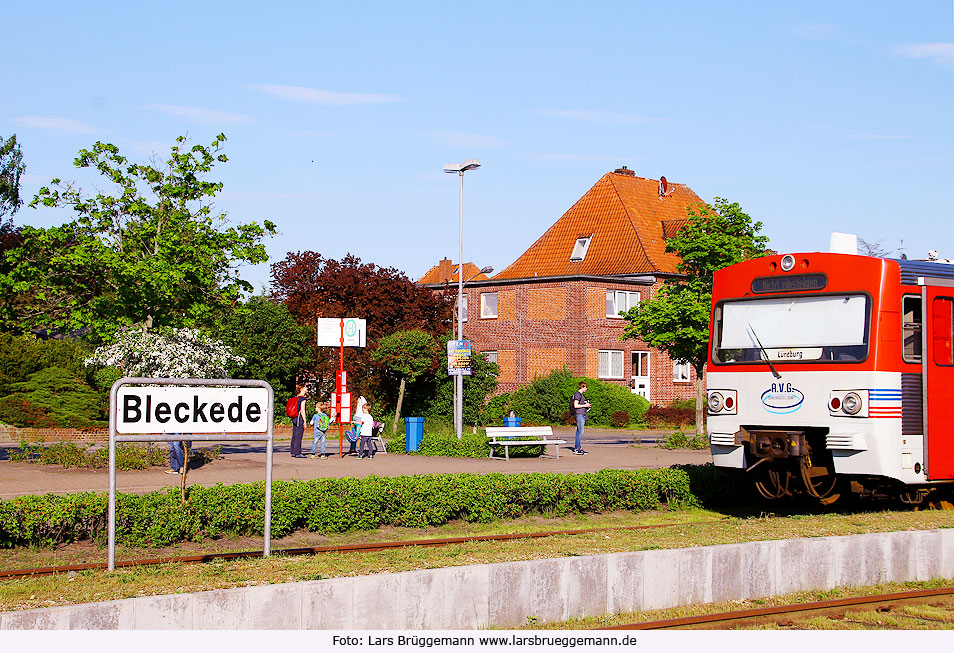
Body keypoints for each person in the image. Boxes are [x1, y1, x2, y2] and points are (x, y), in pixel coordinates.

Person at [571, 381, 591, 455]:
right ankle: (577, 448)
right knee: (580, 431)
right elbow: (575, 405)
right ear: (582, 387)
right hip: (579, 414)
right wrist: (585, 405)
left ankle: (578, 447)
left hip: (582, 414)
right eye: (586, 387)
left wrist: (586, 405)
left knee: (579, 431)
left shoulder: (581, 395)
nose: (586, 389)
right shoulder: (578, 394)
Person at [290, 384, 308, 459]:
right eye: (305, 388)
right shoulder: (302, 399)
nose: (307, 389)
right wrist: (305, 421)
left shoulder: (295, 398)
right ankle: (297, 452)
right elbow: (302, 410)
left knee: (294, 435)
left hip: (294, 417)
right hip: (299, 418)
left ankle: (293, 451)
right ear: (301, 389)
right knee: (299, 436)